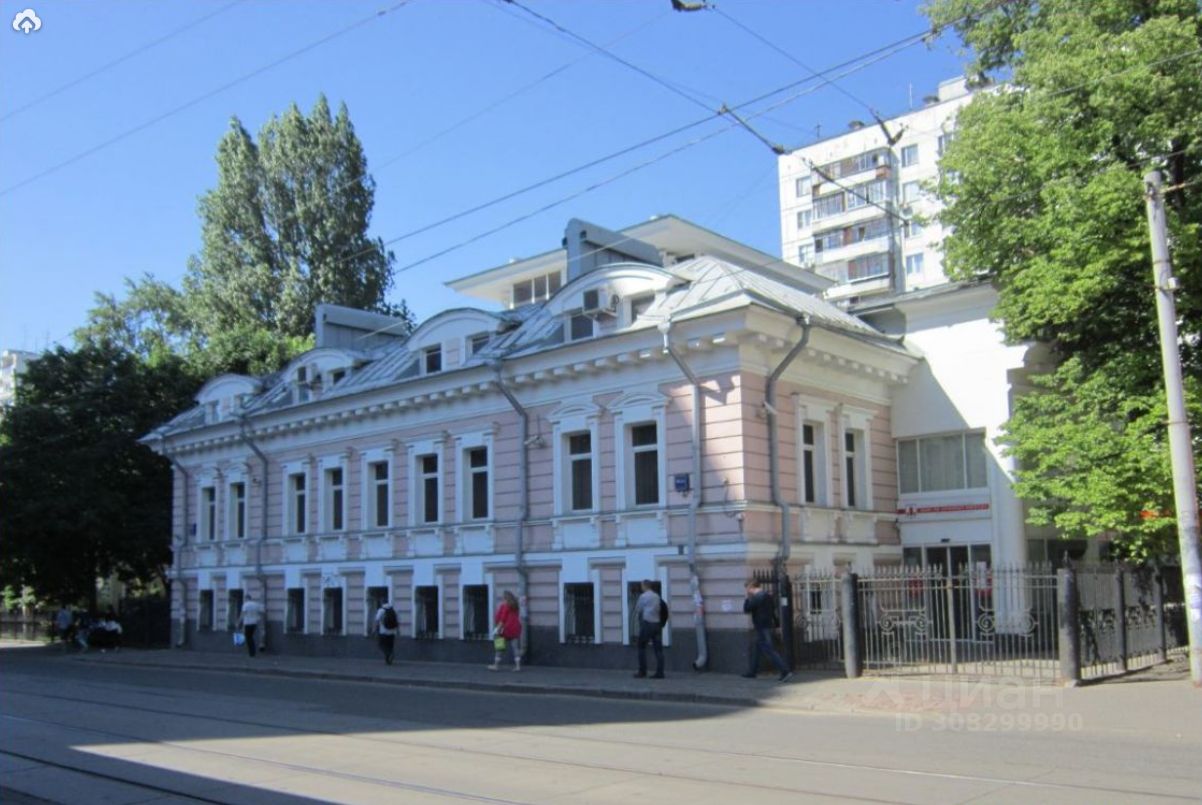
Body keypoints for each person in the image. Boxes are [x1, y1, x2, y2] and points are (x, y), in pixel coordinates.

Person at [742, 579, 793, 682]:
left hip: (762, 627)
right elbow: (774, 611)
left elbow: (747, 609)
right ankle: (752, 671)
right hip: (768, 626)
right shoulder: (768, 596)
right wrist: (777, 625)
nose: (747, 591)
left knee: (769, 650)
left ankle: (785, 671)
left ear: (751, 587)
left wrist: (747, 598)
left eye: (747, 588)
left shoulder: (757, 597)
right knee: (757, 648)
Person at [633, 579, 665, 679]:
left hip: (647, 623)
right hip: (657, 624)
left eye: (642, 586)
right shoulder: (657, 596)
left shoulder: (643, 596)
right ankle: (660, 672)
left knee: (641, 646)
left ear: (644, 586)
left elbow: (638, 609)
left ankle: (642, 671)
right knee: (658, 649)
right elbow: (660, 608)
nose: (641, 587)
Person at [488, 591, 522, 671]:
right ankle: (518, 666)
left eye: (503, 598)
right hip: (515, 628)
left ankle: (496, 665)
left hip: (505, 629)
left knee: (499, 646)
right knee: (515, 648)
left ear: (505, 598)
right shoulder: (515, 606)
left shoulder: (505, 606)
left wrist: (497, 629)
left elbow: (502, 619)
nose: (502, 599)